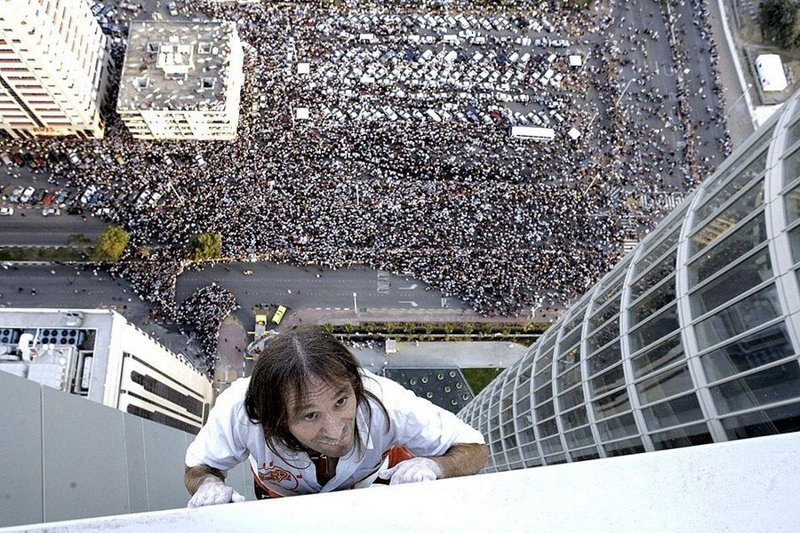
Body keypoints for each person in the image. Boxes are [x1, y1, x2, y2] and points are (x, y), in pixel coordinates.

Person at [184, 325, 489, 506]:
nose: (335, 430)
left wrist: (435, 466)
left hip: (371, 485)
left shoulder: (385, 400)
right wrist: (209, 486)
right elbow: (199, 467)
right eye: (309, 416)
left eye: (341, 401)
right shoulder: (240, 409)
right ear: (274, 418)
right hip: (279, 496)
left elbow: (474, 448)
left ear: (356, 386)